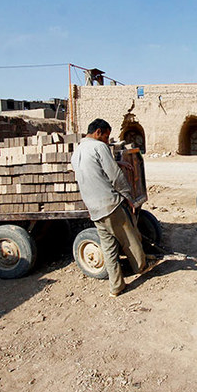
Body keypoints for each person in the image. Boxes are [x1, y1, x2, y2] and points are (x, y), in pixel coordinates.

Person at [70, 118, 154, 297]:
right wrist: (129, 197)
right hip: (111, 205)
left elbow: (94, 170)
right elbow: (115, 177)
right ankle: (142, 267)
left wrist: (118, 162)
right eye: (106, 137)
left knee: (109, 248)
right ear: (98, 132)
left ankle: (116, 287)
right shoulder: (99, 147)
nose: (107, 141)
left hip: (94, 210)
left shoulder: (76, 152)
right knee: (130, 239)